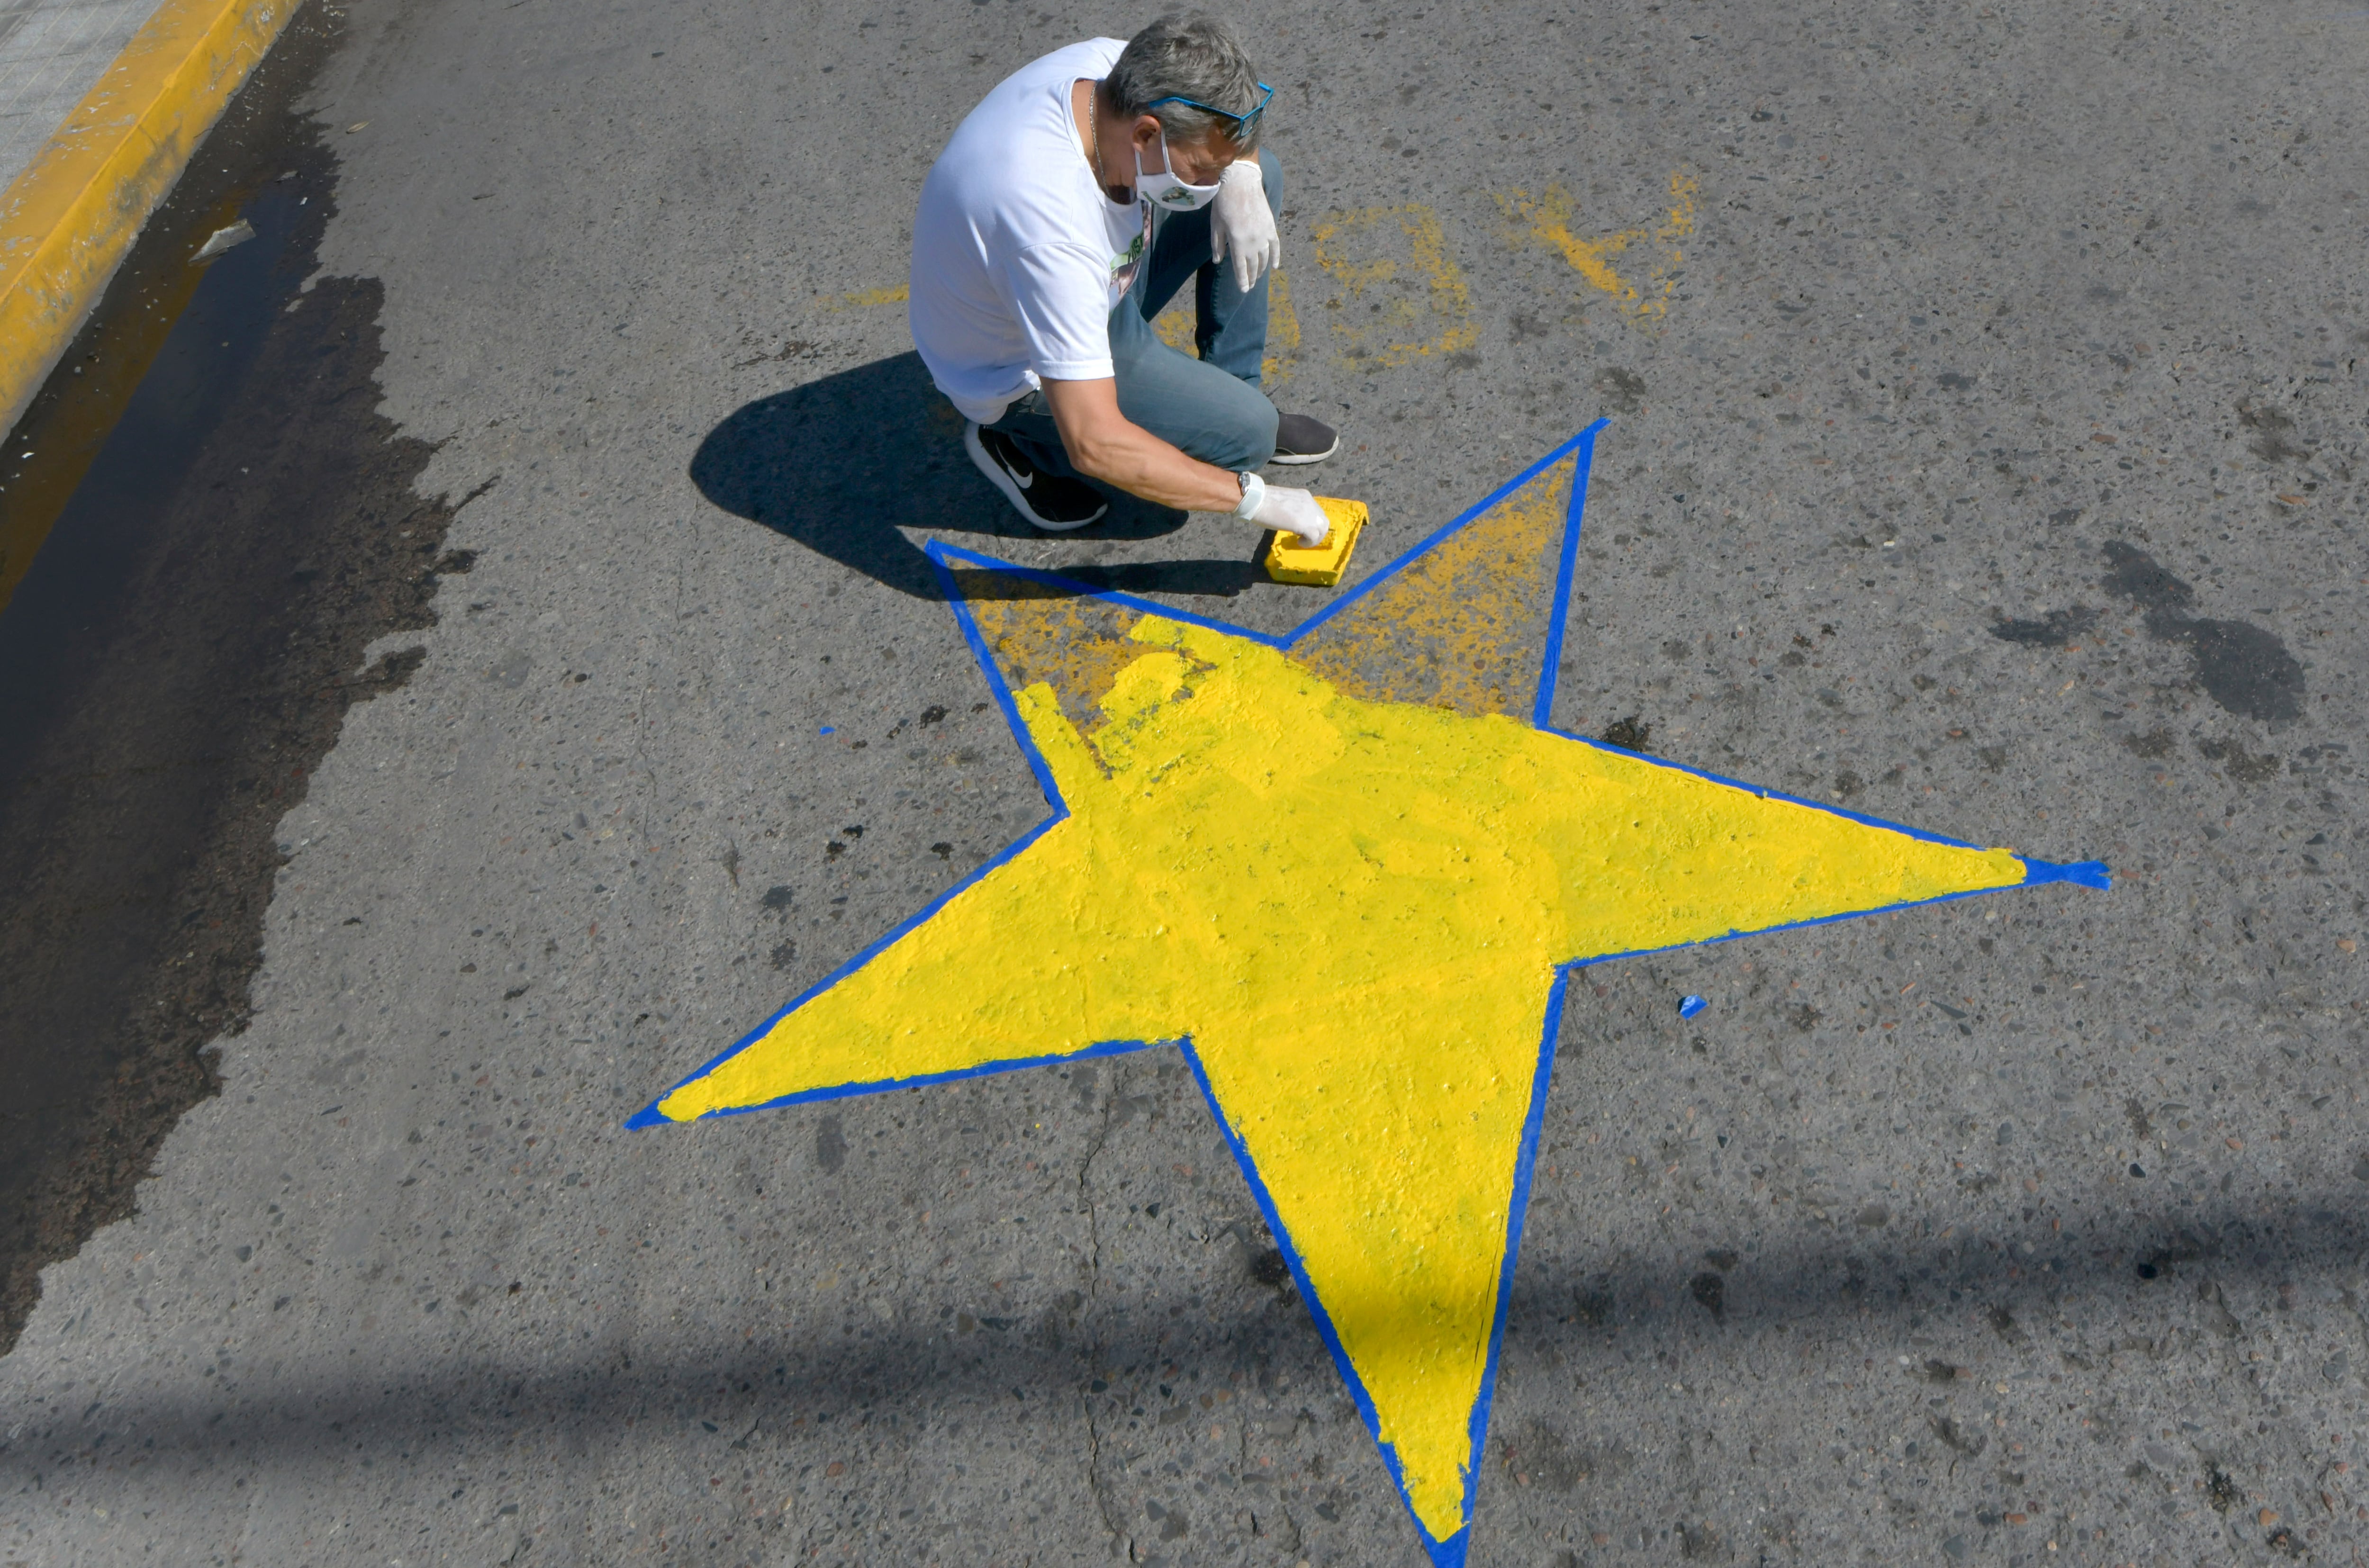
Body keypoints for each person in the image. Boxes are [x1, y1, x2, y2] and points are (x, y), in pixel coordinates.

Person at [907, 13, 1338, 541]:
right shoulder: (1051, 227)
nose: (1210, 181)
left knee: (1259, 172)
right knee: (1245, 439)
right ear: (1146, 134)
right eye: (1202, 168)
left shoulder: (1121, 73)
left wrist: (1240, 170)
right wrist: (1253, 499)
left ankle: (1228, 394)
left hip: (1090, 286)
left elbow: (1228, 131)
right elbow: (1096, 441)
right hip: (1021, 367)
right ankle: (1020, 441)